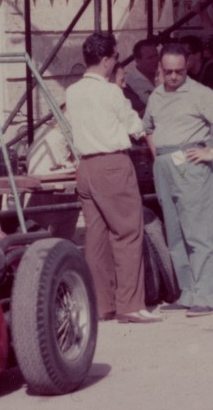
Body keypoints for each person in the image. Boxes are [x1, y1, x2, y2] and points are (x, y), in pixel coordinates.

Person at [142, 42, 213, 316]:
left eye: (179, 72)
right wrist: (159, 156)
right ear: (161, 67)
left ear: (187, 68)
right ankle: (187, 293)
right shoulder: (156, 95)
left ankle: (205, 298)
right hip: (165, 167)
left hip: (192, 165)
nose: (173, 77)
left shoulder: (199, 92)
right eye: (169, 71)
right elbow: (148, 128)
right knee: (175, 235)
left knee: (199, 233)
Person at [66, 33, 154, 324]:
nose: (117, 62)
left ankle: (102, 305)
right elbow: (135, 126)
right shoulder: (111, 92)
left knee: (97, 237)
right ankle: (130, 305)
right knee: (128, 233)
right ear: (106, 61)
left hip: (86, 167)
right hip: (113, 164)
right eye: (116, 57)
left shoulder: (73, 91)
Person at [122, 39, 160, 116]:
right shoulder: (128, 82)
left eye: (156, 55)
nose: (155, 60)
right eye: (150, 58)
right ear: (137, 60)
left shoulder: (168, 74)